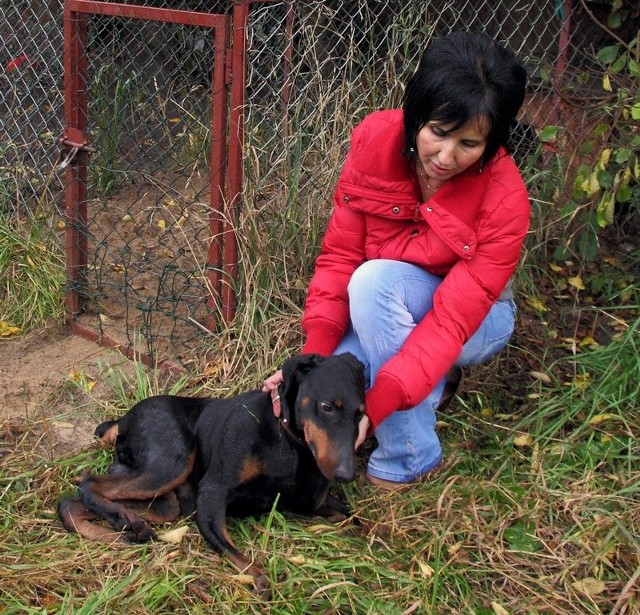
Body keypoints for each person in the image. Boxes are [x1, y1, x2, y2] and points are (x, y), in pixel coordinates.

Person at [263, 31, 530, 488]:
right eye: (438, 133)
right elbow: (339, 257)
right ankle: (434, 383)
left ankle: (410, 454)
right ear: (415, 115)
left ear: (493, 142)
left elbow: (450, 322)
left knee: (374, 288)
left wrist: (382, 405)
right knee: (334, 381)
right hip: (383, 308)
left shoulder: (504, 199)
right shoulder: (375, 143)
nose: (445, 157)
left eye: (469, 144)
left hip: (477, 320)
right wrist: (313, 360)